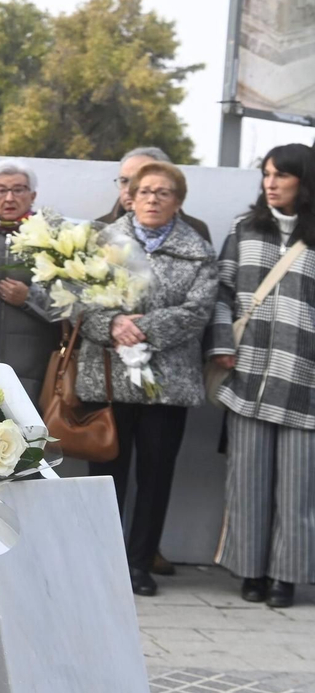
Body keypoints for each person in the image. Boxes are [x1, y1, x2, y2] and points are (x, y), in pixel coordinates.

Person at [78, 160, 216, 597]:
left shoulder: (198, 250)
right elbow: (79, 299)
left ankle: (139, 564)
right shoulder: (100, 242)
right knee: (106, 476)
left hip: (167, 382)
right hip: (109, 378)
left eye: (164, 192)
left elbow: (199, 310)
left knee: (156, 478)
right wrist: (112, 324)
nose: (153, 199)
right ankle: (98, 562)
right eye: (146, 191)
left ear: (178, 202)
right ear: (130, 197)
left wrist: (143, 329)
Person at [210, 144, 315, 609]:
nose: (270, 183)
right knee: (247, 478)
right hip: (248, 373)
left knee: (299, 487)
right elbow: (222, 292)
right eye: (266, 174)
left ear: (304, 181)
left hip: (305, 378)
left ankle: (286, 577)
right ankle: (249, 571)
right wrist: (221, 345)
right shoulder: (244, 227)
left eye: (282, 175)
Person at [0, 160, 60, 400]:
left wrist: (28, 298)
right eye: (1, 190)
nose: (9, 198)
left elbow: (70, 304)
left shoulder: (52, 240)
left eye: (18, 190)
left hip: (34, 363)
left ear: (32, 195)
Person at [98, 146, 211, 245]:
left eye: (140, 181)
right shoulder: (99, 228)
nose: (129, 189)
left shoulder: (196, 230)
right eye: (124, 180)